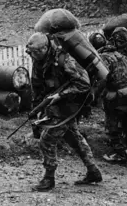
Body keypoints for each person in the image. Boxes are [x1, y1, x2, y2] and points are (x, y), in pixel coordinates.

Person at [26, 32, 102, 191]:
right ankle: (93, 171)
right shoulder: (39, 60)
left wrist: (60, 95)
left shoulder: (64, 59)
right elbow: (37, 86)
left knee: (46, 140)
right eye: (31, 53)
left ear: (45, 48)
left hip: (69, 105)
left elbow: (84, 84)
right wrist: (36, 110)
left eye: (35, 53)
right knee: (74, 137)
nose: (32, 56)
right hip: (55, 106)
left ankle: (49, 179)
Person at [96, 42, 127, 164]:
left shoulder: (105, 58)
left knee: (112, 125)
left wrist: (97, 94)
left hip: (115, 96)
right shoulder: (123, 57)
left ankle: (119, 154)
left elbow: (103, 78)